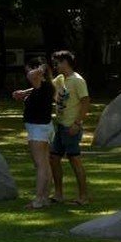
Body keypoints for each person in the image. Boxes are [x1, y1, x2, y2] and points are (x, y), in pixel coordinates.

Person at [49, 50, 91, 205]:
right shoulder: (60, 79)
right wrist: (25, 92)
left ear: (65, 62)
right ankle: (58, 194)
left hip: (71, 127)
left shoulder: (77, 80)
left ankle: (83, 197)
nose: (55, 66)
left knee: (74, 160)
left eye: (57, 63)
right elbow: (47, 87)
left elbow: (85, 102)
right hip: (60, 126)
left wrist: (77, 123)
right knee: (54, 158)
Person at [12, 58, 55, 209]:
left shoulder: (41, 82)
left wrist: (41, 68)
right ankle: (45, 198)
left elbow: (31, 75)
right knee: (45, 164)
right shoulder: (46, 85)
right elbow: (35, 84)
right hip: (43, 127)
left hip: (38, 129)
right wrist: (24, 92)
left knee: (40, 165)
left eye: (29, 70)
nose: (28, 75)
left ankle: (38, 200)